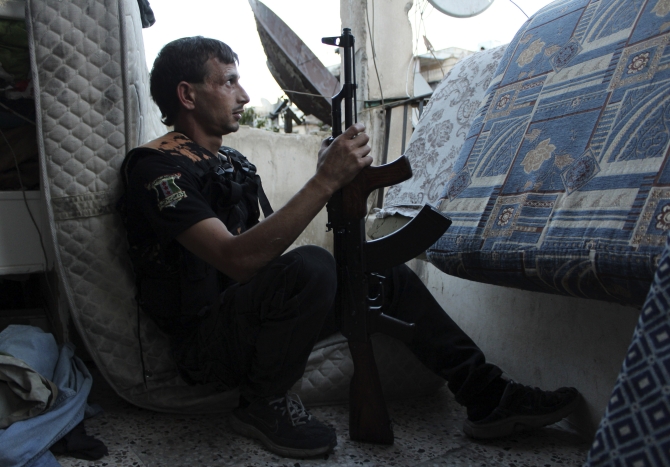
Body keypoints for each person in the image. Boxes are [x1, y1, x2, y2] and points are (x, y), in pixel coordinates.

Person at [119, 36, 581, 459]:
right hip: (204, 345)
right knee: (314, 264)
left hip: (247, 319)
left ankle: (487, 395)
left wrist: (336, 186)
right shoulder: (156, 169)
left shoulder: (228, 162)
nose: (242, 96)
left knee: (373, 268)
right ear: (187, 95)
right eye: (229, 82)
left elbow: (261, 264)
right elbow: (238, 260)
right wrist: (323, 181)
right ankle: (262, 403)